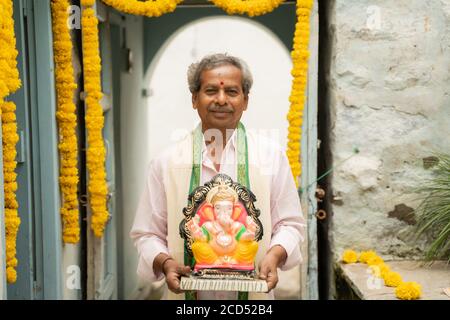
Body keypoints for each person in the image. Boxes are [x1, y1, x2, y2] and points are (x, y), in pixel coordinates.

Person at [130, 53, 305, 300]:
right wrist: (166, 262)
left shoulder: (270, 156)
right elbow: (147, 234)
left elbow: (290, 224)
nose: (221, 100)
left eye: (232, 92)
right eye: (211, 91)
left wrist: (275, 254)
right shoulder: (166, 162)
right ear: (194, 99)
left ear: (245, 100)